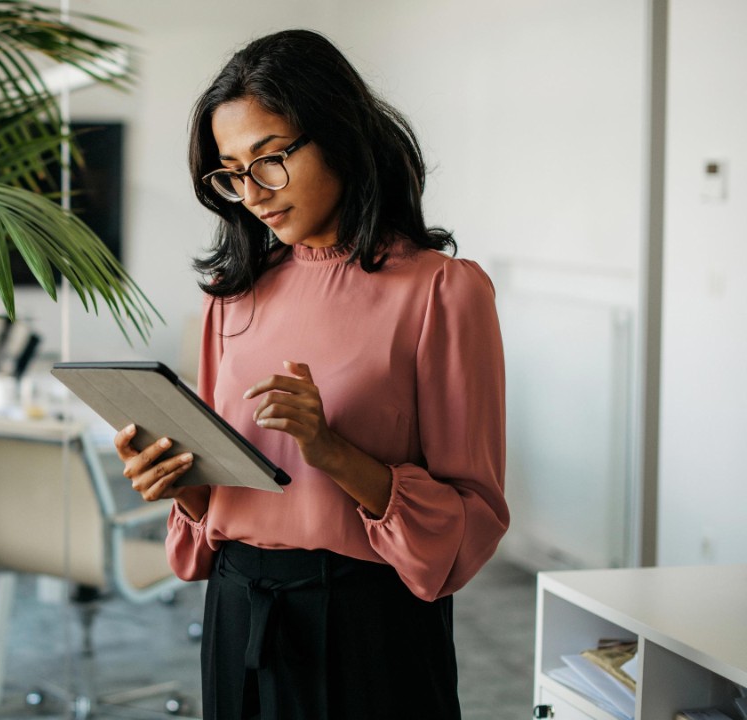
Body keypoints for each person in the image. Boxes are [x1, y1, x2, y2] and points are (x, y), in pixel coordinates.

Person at [113, 29, 508, 720]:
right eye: (231, 173)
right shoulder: (230, 297)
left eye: (270, 159)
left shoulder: (442, 292)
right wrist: (186, 488)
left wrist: (332, 451)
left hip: (367, 626)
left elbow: (471, 524)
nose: (252, 192)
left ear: (338, 135)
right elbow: (221, 509)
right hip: (237, 610)